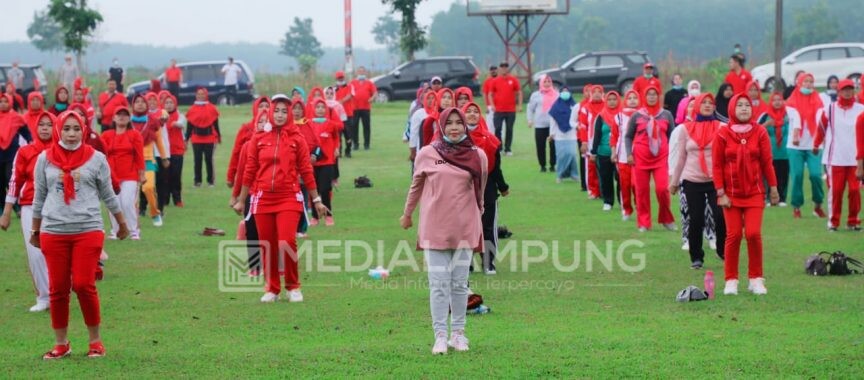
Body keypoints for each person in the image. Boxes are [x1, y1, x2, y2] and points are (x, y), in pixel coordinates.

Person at [31, 111, 129, 359]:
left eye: (76, 129)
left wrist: (122, 223)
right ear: (58, 130)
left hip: (88, 229)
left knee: (84, 285)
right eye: (67, 129)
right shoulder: (44, 159)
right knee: (58, 288)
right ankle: (61, 344)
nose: (72, 134)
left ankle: (95, 342)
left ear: (84, 130)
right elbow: (39, 196)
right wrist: (35, 229)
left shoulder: (96, 159)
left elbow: (108, 194)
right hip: (53, 231)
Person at [401, 107, 488, 355]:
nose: (454, 127)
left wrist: (478, 214)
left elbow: (480, 191)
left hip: (465, 228)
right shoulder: (427, 153)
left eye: (458, 123)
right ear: (441, 125)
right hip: (434, 228)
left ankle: (458, 334)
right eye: (448, 123)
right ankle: (440, 336)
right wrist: (407, 213)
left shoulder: (477, 155)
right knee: (439, 285)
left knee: (460, 284)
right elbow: (415, 186)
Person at [233, 95, 329, 303]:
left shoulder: (297, 139)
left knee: (286, 240)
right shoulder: (258, 139)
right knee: (267, 244)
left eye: (284, 111)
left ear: (289, 115)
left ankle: (293, 286)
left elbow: (306, 170)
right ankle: (272, 288)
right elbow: (249, 170)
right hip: (262, 198)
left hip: (289, 197)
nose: (279, 115)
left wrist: (317, 200)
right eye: (276, 110)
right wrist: (240, 199)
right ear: (269, 113)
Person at [713, 94, 779, 296]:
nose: (744, 108)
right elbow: (716, 165)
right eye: (739, 105)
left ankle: (756, 279)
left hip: (754, 193)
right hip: (730, 195)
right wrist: (721, 193)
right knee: (733, 235)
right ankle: (731, 280)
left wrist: (774, 188)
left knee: (752, 234)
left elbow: (767, 162)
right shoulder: (723, 134)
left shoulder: (760, 132)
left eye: (747, 105)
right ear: (732, 109)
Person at [0, 111, 53, 312]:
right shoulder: (25, 152)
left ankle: (59, 294)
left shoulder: (62, 151)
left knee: (57, 252)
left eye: (49, 124)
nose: (45, 128)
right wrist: (6, 212)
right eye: (42, 125)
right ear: (35, 128)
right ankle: (44, 296)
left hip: (58, 208)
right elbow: (15, 181)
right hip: (30, 206)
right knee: (35, 253)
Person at [669, 93, 726, 270]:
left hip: (715, 180)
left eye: (711, 103)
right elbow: (681, 158)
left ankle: (722, 251)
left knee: (720, 217)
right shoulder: (685, 129)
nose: (708, 105)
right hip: (692, 180)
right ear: (697, 106)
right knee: (696, 219)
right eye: (704, 103)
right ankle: (696, 257)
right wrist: (674, 181)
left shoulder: (722, 127)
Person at [462, 102, 508, 275]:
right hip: (464, 187)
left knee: (487, 225)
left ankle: (488, 262)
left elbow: (496, 168)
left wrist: (503, 187)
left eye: (476, 112)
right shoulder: (457, 139)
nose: (472, 114)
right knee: (465, 226)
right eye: (469, 112)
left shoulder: (490, 140)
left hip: (487, 185)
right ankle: (467, 263)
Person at [814, 79, 863, 231]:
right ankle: (833, 222)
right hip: (835, 159)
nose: (847, 92)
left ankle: (853, 221)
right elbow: (821, 129)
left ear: (854, 91)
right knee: (836, 191)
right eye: (844, 89)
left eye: (850, 89)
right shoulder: (829, 109)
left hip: (856, 160)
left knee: (855, 191)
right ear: (839, 92)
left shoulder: (861, 109)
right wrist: (816, 144)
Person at [625, 86, 676, 232]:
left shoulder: (666, 114)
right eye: (649, 94)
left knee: (662, 189)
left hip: (661, 158)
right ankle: (644, 223)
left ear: (659, 97)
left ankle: (666, 219)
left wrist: (673, 155)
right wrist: (629, 153)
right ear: (644, 97)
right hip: (640, 158)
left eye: (655, 94)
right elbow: (628, 136)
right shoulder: (637, 115)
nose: (652, 97)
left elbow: (673, 136)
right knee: (641, 191)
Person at [785, 73, 826, 219]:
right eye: (805, 81)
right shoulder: (791, 101)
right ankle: (796, 206)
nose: (808, 84)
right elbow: (795, 117)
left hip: (813, 145)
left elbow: (820, 117)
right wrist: (796, 135)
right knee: (797, 175)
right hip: (795, 146)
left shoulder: (818, 100)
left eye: (811, 82)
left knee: (815, 174)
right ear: (799, 83)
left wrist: (820, 137)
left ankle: (818, 205)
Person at [101, 107, 144, 240]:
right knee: (114, 203)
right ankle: (115, 230)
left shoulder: (134, 135)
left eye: (125, 115)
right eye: (119, 114)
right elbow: (101, 155)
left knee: (127, 202)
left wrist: (141, 173)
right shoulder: (106, 135)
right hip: (111, 175)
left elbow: (139, 155)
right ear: (113, 118)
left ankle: (133, 230)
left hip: (130, 174)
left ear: (129, 118)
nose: (122, 117)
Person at [129, 94, 168, 228]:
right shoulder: (127, 122)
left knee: (149, 187)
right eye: (137, 102)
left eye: (142, 102)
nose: (140, 104)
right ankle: (132, 218)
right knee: (131, 192)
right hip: (131, 162)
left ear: (146, 105)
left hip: (148, 161)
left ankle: (155, 212)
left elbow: (159, 141)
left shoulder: (152, 122)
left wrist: (164, 157)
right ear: (133, 105)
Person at [758, 92, 798, 206]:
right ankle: (768, 198)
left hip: (785, 151)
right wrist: (766, 124)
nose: (777, 102)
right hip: (769, 151)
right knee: (768, 176)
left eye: (779, 100)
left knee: (783, 175)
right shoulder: (765, 115)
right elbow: (755, 130)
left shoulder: (788, 115)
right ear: (770, 102)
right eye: (774, 100)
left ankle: (782, 199)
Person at [310, 99, 341, 226]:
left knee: (325, 189)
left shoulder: (331, 124)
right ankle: (315, 217)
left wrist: (336, 148)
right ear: (313, 109)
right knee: (314, 190)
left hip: (327, 162)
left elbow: (336, 138)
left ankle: (328, 215)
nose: (320, 109)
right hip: (312, 163)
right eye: (318, 107)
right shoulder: (309, 124)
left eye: (323, 107)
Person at [227, 97, 270, 189]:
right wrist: (231, 176)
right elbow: (236, 152)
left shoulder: (274, 129)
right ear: (255, 108)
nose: (264, 108)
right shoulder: (246, 128)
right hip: (247, 174)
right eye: (261, 106)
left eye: (267, 106)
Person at [611, 90, 640, 220]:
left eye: (635, 98)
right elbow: (614, 136)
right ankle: (626, 210)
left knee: (637, 184)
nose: (633, 100)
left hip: (640, 155)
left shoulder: (643, 115)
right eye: (630, 98)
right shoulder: (619, 117)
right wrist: (613, 153)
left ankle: (641, 209)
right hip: (622, 156)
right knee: (625, 184)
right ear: (625, 100)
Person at [591, 91, 623, 211]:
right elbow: (597, 135)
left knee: (620, 178)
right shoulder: (601, 116)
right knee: (605, 177)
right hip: (604, 152)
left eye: (614, 99)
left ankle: (622, 201)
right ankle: (608, 201)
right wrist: (593, 152)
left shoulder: (622, 115)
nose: (612, 102)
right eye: (609, 99)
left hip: (620, 153)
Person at [185, 88, 221, 188]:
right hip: (196, 138)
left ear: (206, 95)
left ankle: (210, 181)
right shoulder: (192, 109)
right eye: (198, 94)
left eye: (202, 94)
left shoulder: (212, 108)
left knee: (209, 159)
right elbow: (189, 126)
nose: (200, 96)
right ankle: (197, 181)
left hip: (209, 138)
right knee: (197, 160)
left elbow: (216, 124)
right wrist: (186, 139)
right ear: (196, 95)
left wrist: (218, 136)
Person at [1, 94, 33, 203]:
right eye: (1, 101)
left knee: (9, 178)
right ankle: (1, 207)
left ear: (10, 102)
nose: (3, 104)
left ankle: (15, 204)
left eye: (6, 101)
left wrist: (30, 141)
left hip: (11, 153)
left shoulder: (16, 117)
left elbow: (25, 132)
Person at [526, 75, 558, 172]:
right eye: (545, 82)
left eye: (549, 81)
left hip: (553, 125)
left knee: (553, 146)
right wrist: (530, 120)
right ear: (541, 83)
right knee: (540, 146)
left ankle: (553, 165)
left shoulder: (556, 94)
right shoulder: (536, 95)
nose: (547, 84)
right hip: (540, 125)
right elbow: (530, 108)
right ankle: (542, 165)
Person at [489, 62, 522, 155]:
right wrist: (492, 105)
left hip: (510, 110)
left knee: (509, 129)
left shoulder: (513, 80)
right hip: (498, 110)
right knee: (498, 129)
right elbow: (490, 94)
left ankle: (508, 149)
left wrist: (519, 105)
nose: (504, 68)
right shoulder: (495, 81)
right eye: (502, 67)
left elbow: (519, 92)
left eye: (506, 67)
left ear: (508, 68)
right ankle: (499, 148)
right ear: (500, 69)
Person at [548, 87, 579, 183]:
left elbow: (578, 119)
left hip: (572, 134)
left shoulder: (575, 106)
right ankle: (560, 175)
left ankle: (574, 174)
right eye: (563, 92)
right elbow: (552, 120)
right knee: (561, 156)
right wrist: (552, 134)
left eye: (567, 92)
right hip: (559, 135)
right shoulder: (555, 106)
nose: (565, 93)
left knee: (572, 154)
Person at [580, 85, 606, 199]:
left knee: (603, 167)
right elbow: (582, 126)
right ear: (590, 94)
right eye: (594, 92)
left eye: (599, 91)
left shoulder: (607, 106)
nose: (596, 94)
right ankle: (592, 190)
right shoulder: (585, 108)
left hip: (605, 142)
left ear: (602, 93)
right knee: (591, 167)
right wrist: (584, 142)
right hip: (590, 142)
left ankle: (603, 191)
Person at [162, 94, 186, 207]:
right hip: (164, 151)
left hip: (177, 150)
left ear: (175, 104)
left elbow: (182, 124)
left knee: (176, 175)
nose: (169, 105)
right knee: (165, 176)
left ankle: (177, 199)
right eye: (167, 103)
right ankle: (165, 199)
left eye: (171, 103)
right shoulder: (161, 116)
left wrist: (175, 123)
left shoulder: (179, 115)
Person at [350, 66, 377, 150]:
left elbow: (375, 92)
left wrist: (372, 98)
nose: (361, 73)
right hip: (355, 108)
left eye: (363, 71)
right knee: (354, 126)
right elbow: (348, 92)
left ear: (365, 72)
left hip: (366, 107)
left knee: (366, 126)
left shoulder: (369, 83)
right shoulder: (353, 82)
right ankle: (355, 144)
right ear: (357, 72)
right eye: (359, 71)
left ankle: (366, 144)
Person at [334, 71, 355, 158]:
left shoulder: (349, 86)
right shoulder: (333, 89)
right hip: (337, 116)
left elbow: (350, 95)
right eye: (339, 78)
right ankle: (340, 152)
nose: (341, 79)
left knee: (348, 135)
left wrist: (340, 101)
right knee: (338, 135)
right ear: (336, 79)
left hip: (348, 114)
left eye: (342, 77)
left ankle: (348, 151)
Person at [482, 66, 498, 130]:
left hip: (500, 106)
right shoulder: (487, 81)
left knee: (501, 126)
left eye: (494, 69)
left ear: (497, 70)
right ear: (490, 71)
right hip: (490, 106)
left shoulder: (500, 80)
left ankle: (500, 139)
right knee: (490, 125)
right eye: (492, 70)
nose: (493, 71)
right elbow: (485, 94)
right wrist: (486, 106)